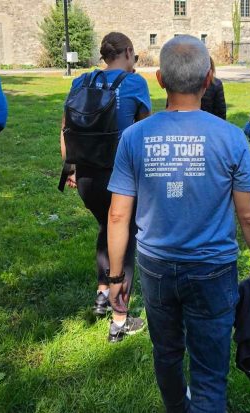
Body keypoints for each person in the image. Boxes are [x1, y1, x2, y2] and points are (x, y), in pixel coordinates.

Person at [106, 35, 250, 412]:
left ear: (160, 79)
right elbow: (248, 215)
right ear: (209, 79)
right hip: (213, 269)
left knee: (166, 352)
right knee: (209, 370)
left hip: (156, 266)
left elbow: (118, 214)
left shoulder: (134, 137)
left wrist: (116, 278)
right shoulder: (231, 138)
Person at [59, 32, 151, 342]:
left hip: (85, 175)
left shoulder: (81, 82)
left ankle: (102, 293)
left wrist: (70, 168)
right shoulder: (136, 84)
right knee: (124, 241)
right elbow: (144, 132)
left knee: (106, 228)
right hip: (121, 178)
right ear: (128, 52)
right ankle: (120, 319)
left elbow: (65, 128)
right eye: (134, 57)